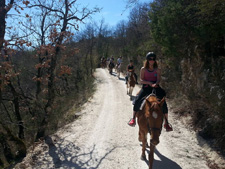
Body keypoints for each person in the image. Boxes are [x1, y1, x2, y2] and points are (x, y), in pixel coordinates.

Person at [127, 52, 173, 132]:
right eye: (150, 59)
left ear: (155, 60)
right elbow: (141, 80)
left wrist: (156, 83)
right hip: (146, 87)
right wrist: (149, 83)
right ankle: (133, 118)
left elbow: (158, 79)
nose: (152, 60)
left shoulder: (158, 69)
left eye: (153, 59)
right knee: (137, 100)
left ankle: (166, 122)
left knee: (163, 103)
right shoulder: (143, 69)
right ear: (147, 60)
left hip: (155, 88)